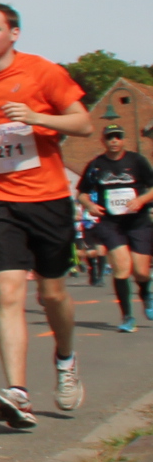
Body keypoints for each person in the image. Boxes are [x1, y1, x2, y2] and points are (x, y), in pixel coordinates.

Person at [0, 2, 93, 428]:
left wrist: (34, 117)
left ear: (14, 33)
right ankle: (18, 393)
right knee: (8, 294)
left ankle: (65, 359)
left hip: (47, 198)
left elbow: (83, 123)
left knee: (52, 295)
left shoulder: (42, 72)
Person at [78, 126, 153, 332]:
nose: (114, 141)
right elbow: (81, 193)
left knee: (141, 271)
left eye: (118, 137)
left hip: (137, 222)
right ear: (103, 141)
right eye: (110, 137)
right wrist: (90, 205)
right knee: (121, 268)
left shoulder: (137, 161)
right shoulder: (96, 165)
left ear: (123, 140)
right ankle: (127, 317)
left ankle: (146, 293)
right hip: (111, 224)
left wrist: (141, 200)